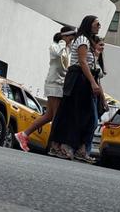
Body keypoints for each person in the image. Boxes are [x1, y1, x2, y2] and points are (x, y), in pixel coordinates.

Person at [14, 25, 76, 153]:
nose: (73, 39)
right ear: (65, 36)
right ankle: (54, 145)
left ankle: (24, 135)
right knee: (57, 116)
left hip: (60, 84)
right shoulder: (55, 46)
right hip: (54, 84)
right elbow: (58, 53)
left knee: (49, 116)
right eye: (72, 36)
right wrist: (63, 41)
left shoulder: (67, 49)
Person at [50, 15, 101, 162]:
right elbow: (83, 62)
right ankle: (67, 147)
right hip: (79, 78)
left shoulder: (88, 42)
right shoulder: (83, 40)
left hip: (82, 78)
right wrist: (92, 82)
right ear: (89, 24)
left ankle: (77, 148)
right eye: (97, 24)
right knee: (80, 115)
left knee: (83, 116)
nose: (99, 26)